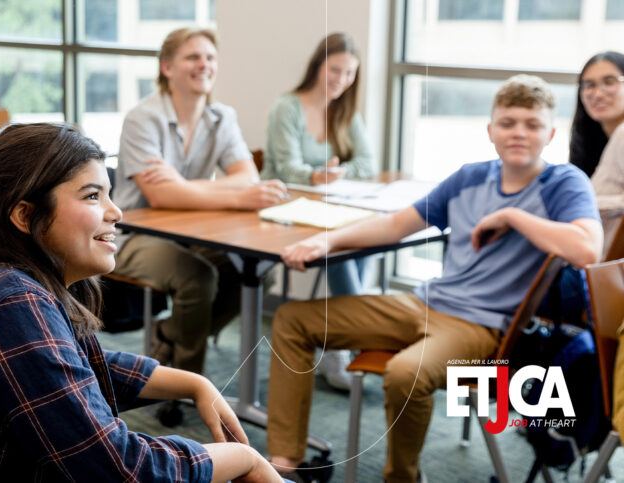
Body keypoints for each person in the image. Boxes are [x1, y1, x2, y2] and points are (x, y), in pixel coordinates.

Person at [0, 123, 283, 482]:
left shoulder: (8, 278)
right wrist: (242, 459)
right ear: (25, 215)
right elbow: (119, 470)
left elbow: (65, 365)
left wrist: (193, 383)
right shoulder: (10, 302)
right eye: (93, 196)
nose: (116, 212)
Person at [265, 75, 602, 483]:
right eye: (508, 122)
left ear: (550, 133)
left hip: (482, 326)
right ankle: (285, 463)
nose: (519, 133)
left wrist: (512, 216)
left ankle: (402, 477)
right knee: (292, 320)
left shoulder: (564, 183)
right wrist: (327, 242)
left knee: (405, 373)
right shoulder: (470, 177)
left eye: (531, 125)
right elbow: (395, 225)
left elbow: (588, 249)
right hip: (425, 304)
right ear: (491, 131)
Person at [112, 27, 288, 380]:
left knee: (257, 272)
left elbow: (246, 177)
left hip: (191, 231)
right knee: (197, 277)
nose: (203, 65)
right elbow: (160, 196)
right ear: (167, 68)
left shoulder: (222, 117)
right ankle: (187, 384)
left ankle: (170, 335)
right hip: (132, 235)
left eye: (210, 58)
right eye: (192, 57)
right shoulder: (143, 118)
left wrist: (181, 185)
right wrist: (232, 195)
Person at [261, 32, 375, 391]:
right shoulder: (288, 107)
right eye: (335, 70)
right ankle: (347, 340)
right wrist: (314, 174)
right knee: (339, 245)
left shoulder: (344, 111)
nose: (342, 80)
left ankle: (339, 341)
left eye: (349, 73)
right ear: (317, 66)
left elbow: (368, 163)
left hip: (325, 207)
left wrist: (335, 174)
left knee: (361, 237)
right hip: (281, 209)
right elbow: (284, 167)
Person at [570, 50, 624, 258]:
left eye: (609, 81)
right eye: (589, 85)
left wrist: (580, 202)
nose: (598, 93)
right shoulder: (598, 142)